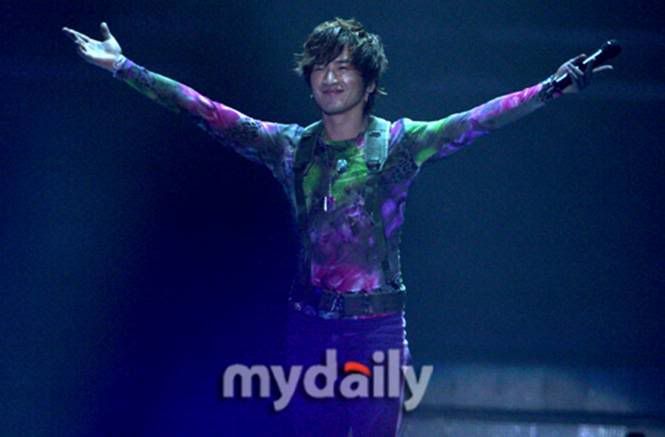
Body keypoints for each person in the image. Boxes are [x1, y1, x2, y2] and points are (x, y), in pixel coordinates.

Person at [63, 18, 612, 436]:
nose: (330, 77)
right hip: (308, 328)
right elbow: (206, 111)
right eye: (321, 67)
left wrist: (550, 89)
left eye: (344, 67)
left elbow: (477, 121)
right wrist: (123, 67)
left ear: (368, 83)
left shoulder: (399, 143)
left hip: (375, 333)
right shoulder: (290, 147)